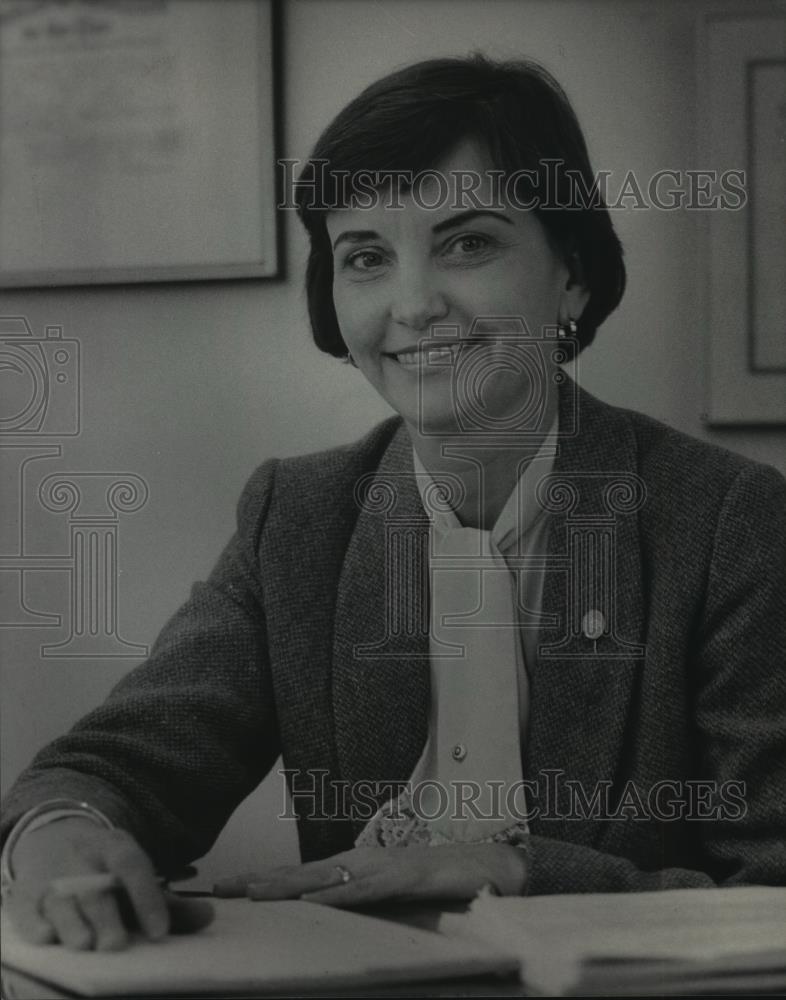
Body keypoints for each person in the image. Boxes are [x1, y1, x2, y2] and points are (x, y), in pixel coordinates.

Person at [2, 54, 785, 953]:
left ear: (569, 273)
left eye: (469, 243)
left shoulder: (731, 519)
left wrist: (515, 869)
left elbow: (775, 881)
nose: (413, 304)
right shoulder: (295, 517)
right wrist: (57, 829)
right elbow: (119, 768)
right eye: (366, 257)